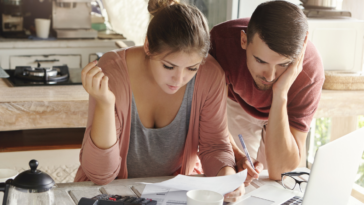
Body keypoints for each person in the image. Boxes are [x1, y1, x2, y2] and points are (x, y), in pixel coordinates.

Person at [74, 0, 244, 202]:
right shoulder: (113, 71)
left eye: (192, 68)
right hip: (110, 196)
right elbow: (100, 175)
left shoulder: (210, 74)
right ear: (147, 46)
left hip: (173, 196)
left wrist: (226, 181)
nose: (179, 80)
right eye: (169, 66)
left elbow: (214, 146)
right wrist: (105, 104)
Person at [209, 1, 325, 183]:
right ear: (244, 41)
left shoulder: (310, 72)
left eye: (283, 65)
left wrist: (280, 93)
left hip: (283, 109)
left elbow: (280, 171)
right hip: (237, 101)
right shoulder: (220, 43)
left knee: (277, 183)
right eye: (261, 61)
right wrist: (238, 155)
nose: (270, 76)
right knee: (239, 178)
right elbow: (210, 123)